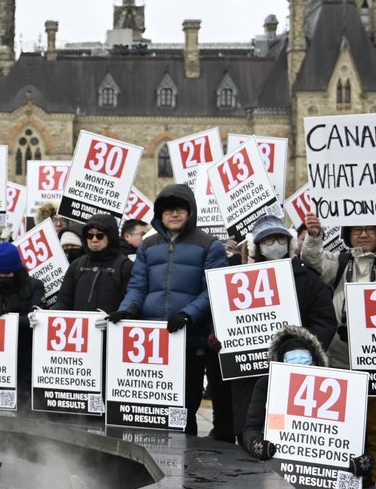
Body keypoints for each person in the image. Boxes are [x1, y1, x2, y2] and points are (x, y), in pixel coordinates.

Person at [301, 210, 376, 489]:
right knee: (344, 428)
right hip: (341, 356)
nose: (363, 235)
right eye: (356, 230)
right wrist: (314, 236)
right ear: (347, 235)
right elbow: (313, 261)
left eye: (370, 230)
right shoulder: (339, 263)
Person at [110, 184, 227, 435]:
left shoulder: (210, 245)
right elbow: (138, 286)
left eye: (180, 208)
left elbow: (213, 290)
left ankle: (187, 458)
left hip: (189, 339)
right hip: (152, 342)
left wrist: (188, 314)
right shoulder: (148, 245)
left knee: (185, 408)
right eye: (168, 209)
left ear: (190, 212)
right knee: (150, 408)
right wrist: (127, 310)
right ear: (159, 214)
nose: (174, 214)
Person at [243, 324, 367, 489]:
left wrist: (362, 458)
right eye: (292, 361)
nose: (300, 366)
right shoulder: (266, 384)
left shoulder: (338, 384)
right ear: (281, 363)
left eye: (305, 360)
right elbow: (250, 427)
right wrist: (257, 444)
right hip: (280, 458)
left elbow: (352, 433)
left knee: (347, 464)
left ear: (316, 361)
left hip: (324, 457)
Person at [225, 215, 337, 444]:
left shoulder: (308, 278)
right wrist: (221, 337)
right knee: (249, 430)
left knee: (287, 431)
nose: (275, 245)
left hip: (294, 369)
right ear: (257, 246)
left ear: (289, 243)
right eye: (268, 240)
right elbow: (225, 316)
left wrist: (303, 347)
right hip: (250, 370)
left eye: (280, 239)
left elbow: (325, 320)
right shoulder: (238, 279)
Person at [0, 240, 43, 405]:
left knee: (22, 399)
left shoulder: (34, 286)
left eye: (7, 274)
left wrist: (7, 319)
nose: (2, 278)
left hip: (24, 352)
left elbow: (34, 319)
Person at [54, 214, 132, 314]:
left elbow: (131, 300)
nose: (94, 239)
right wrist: (44, 317)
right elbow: (63, 301)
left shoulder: (125, 266)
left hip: (111, 323)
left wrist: (119, 316)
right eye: (90, 235)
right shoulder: (76, 265)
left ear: (110, 237)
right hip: (79, 323)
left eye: (99, 235)